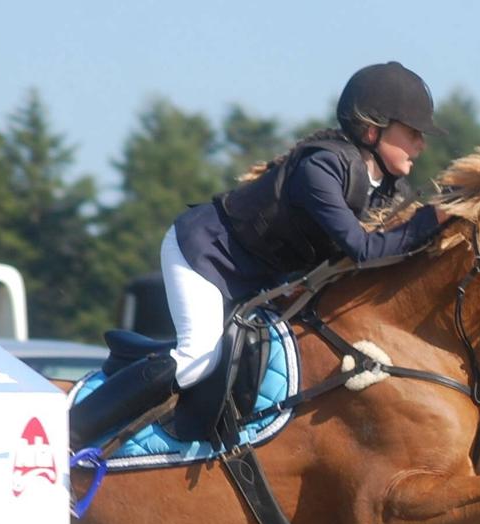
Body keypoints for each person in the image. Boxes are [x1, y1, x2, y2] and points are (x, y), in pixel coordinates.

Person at [69, 61, 449, 449]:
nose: (421, 144)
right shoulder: (321, 168)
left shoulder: (387, 189)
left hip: (254, 278)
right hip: (205, 256)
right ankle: (70, 431)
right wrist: (433, 219)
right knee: (198, 358)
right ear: (372, 130)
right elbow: (364, 249)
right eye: (412, 132)